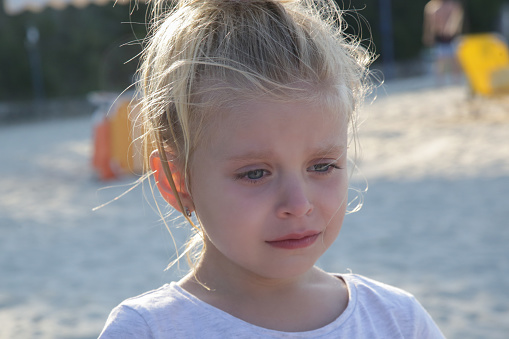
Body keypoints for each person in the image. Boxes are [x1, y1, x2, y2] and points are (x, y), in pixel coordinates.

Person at [99, 0, 445, 337]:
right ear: (177, 181)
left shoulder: (397, 320)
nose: (298, 203)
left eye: (322, 166)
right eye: (255, 173)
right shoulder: (149, 330)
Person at [422, 0, 464, 84]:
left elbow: (457, 20)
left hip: (451, 38)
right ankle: (440, 83)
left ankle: (456, 81)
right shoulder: (431, 7)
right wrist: (428, 35)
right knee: (440, 62)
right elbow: (429, 24)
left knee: (455, 62)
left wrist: (452, 28)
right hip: (440, 38)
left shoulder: (453, 5)